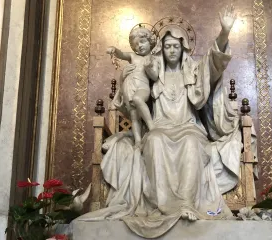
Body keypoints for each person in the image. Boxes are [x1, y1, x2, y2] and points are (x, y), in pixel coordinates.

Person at [79, 5, 257, 238]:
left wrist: (224, 32)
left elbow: (214, 64)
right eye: (167, 46)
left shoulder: (193, 71)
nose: (171, 50)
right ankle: (160, 207)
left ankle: (186, 204)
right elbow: (129, 97)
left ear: (183, 48)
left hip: (189, 128)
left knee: (191, 145)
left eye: (176, 46)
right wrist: (127, 73)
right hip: (160, 128)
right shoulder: (151, 71)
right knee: (154, 142)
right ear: (160, 49)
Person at [107, 26, 159, 146]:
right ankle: (138, 141)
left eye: (142, 42)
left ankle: (152, 128)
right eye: (136, 44)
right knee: (134, 116)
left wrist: (149, 67)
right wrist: (114, 49)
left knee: (138, 99)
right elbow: (121, 54)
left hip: (142, 86)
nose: (139, 46)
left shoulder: (153, 59)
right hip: (129, 87)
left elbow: (155, 77)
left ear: (150, 42)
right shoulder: (133, 56)